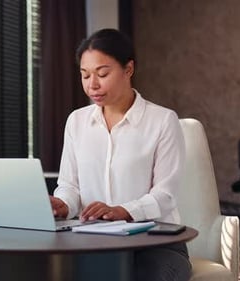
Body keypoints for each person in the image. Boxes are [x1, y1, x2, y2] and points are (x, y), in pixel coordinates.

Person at [49, 28, 191, 281]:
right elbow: (69, 185)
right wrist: (64, 204)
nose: (92, 84)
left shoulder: (162, 121)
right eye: (85, 75)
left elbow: (166, 195)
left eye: (102, 74)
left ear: (128, 69)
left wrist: (124, 211)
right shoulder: (76, 122)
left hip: (154, 245)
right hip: (91, 240)